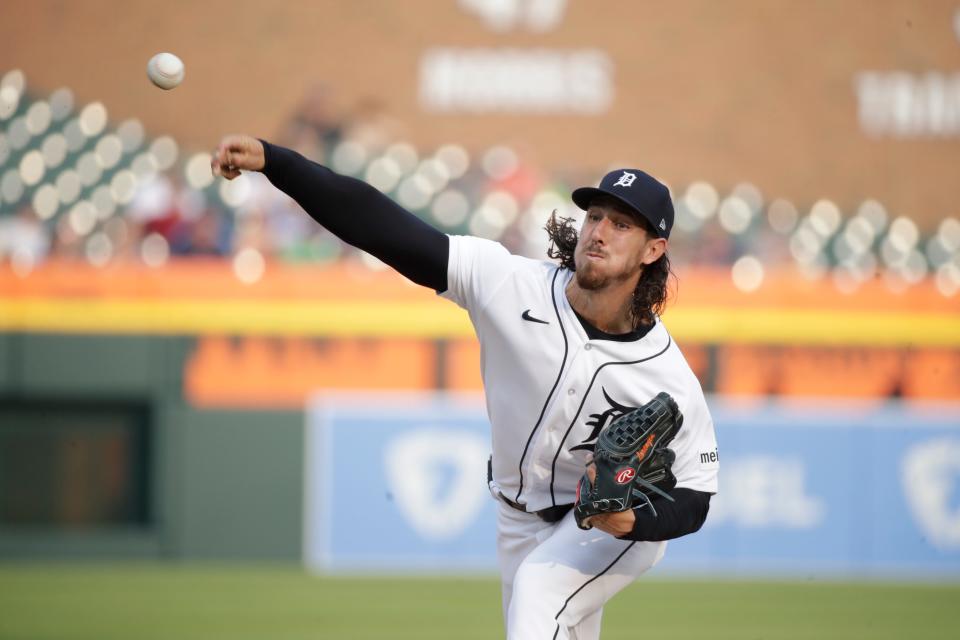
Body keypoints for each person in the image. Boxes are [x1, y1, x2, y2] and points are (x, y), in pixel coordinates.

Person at [211, 136, 719, 640]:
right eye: (595, 217)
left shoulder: (668, 375)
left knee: (538, 600)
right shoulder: (509, 284)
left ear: (654, 249)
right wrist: (275, 162)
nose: (599, 232)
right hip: (517, 517)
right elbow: (380, 225)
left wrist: (631, 521)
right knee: (545, 617)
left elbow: (696, 495)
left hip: (608, 529)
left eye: (621, 224)